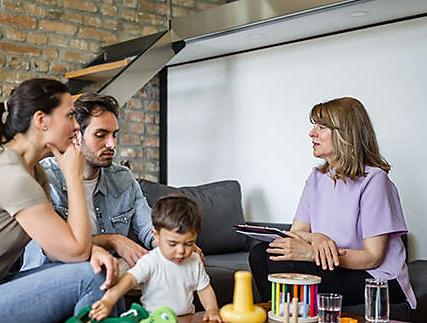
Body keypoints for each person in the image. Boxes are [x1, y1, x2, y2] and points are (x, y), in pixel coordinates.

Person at [0, 79, 119, 323]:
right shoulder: (9, 174)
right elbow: (76, 251)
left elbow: (57, 249)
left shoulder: (33, 172)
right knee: (93, 278)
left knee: (102, 270)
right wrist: (73, 176)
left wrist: (95, 251)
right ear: (41, 120)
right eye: (69, 115)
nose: (77, 125)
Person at [248, 97, 416, 309]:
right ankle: (282, 315)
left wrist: (311, 253)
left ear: (345, 134)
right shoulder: (317, 177)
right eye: (314, 126)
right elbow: (297, 232)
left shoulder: (374, 180)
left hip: (378, 276)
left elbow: (372, 257)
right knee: (262, 253)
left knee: (284, 264)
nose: (312, 133)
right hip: (336, 266)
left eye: (322, 127)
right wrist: (317, 238)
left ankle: (292, 315)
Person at [22, 92, 155, 270]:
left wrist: (174, 244)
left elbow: (149, 227)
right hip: (51, 272)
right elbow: (56, 249)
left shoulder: (122, 178)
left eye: (114, 135)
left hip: (108, 267)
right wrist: (113, 240)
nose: (112, 145)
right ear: (76, 136)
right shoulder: (44, 177)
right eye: (101, 135)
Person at [89, 194, 222, 322]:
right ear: (156, 236)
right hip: (154, 319)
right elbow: (128, 281)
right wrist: (108, 301)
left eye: (189, 244)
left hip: (185, 318)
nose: (181, 251)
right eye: (172, 244)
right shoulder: (151, 261)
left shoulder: (194, 261)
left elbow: (204, 289)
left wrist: (212, 310)